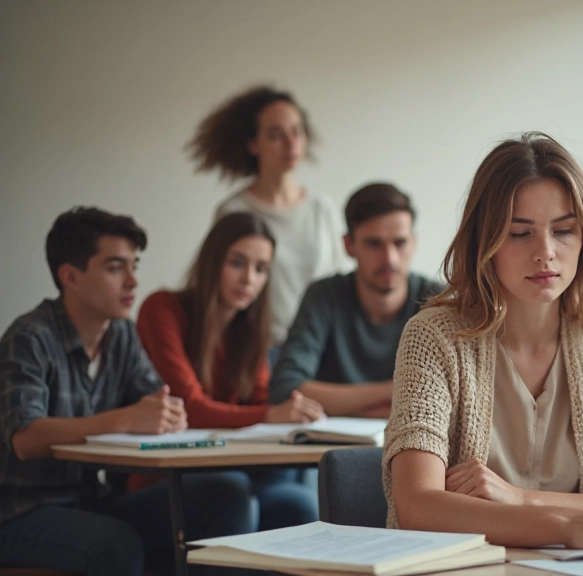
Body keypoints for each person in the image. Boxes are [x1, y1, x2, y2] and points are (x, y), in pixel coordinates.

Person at [384, 133, 583, 550]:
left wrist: (523, 499)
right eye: (519, 234)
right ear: (483, 242)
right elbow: (419, 506)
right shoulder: (432, 336)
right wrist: (563, 527)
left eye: (563, 230)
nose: (545, 252)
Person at [0, 208, 251, 575]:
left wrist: (168, 416)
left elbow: (157, 403)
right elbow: (25, 437)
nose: (133, 281)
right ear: (70, 275)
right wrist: (126, 419)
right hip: (18, 512)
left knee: (227, 495)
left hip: (89, 501)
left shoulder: (120, 335)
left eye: (135, 265)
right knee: (115, 542)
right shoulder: (29, 337)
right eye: (116, 268)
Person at [134, 212, 321, 529]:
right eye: (237, 263)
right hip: (166, 475)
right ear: (212, 262)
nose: (249, 278)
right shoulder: (162, 309)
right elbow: (188, 408)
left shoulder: (247, 332)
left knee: (300, 505)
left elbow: (263, 400)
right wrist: (271, 415)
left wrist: (292, 411)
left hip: (233, 470)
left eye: (261, 269)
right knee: (231, 495)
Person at [188, 85, 346, 359]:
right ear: (252, 144)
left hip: (321, 348)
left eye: (297, 131)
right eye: (276, 135)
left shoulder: (322, 208)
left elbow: (337, 281)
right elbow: (221, 291)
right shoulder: (234, 211)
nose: (291, 143)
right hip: (260, 350)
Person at [269, 183, 443, 417]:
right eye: (374, 244)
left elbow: (452, 397)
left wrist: (344, 406)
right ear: (349, 245)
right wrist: (399, 391)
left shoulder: (438, 301)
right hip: (332, 449)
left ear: (413, 242)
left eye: (400, 243)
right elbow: (285, 389)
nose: (389, 258)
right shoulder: (324, 296)